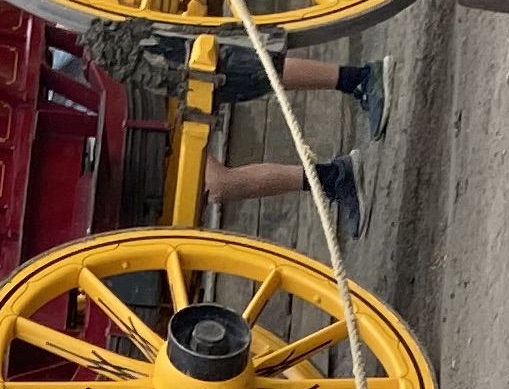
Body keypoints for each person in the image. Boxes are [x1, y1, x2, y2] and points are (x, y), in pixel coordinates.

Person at [80, 20, 385, 233]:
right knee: (215, 186)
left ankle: (358, 79)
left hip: (134, 95)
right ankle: (334, 177)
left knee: (232, 73)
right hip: (128, 134)